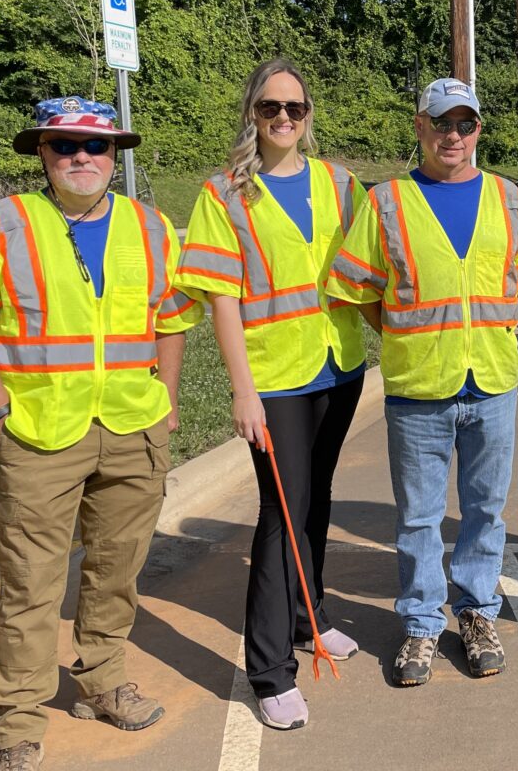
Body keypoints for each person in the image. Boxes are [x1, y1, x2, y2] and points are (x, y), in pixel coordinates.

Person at [0, 96, 202, 771]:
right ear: (41, 152)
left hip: (134, 426)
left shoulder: (152, 226)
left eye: (96, 147)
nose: (82, 157)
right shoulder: (1, 225)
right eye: (66, 145)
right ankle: (17, 722)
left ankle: (102, 681)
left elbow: (171, 319)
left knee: (118, 571)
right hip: (41, 433)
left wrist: (166, 398)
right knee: (30, 583)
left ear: (115, 155)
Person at [326, 78, 518, 687]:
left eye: (465, 124)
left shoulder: (507, 199)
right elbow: (359, 291)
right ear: (420, 126)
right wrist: (405, 332)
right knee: (420, 518)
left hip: (493, 383)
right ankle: (423, 624)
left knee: (484, 511)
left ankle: (477, 614)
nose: (452, 135)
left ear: (478, 130)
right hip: (418, 386)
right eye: (441, 123)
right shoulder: (388, 202)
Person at [173, 59, 368, 730]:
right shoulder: (223, 194)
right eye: (269, 108)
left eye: (294, 108)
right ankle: (269, 669)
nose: (283, 118)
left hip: (338, 366)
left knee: (316, 502)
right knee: (282, 513)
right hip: (274, 378)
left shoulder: (340, 183)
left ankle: (309, 619)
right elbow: (222, 299)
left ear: (308, 115)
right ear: (252, 115)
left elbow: (367, 271)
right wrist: (242, 390)